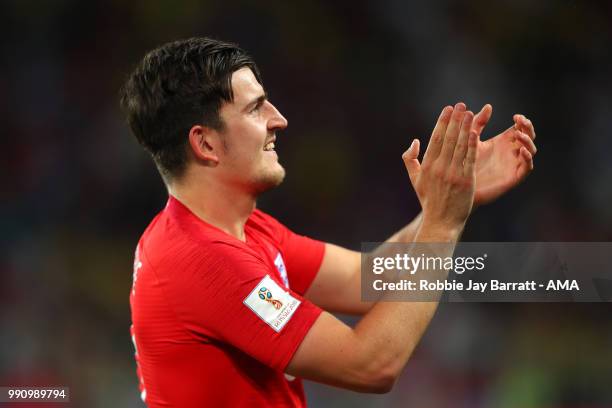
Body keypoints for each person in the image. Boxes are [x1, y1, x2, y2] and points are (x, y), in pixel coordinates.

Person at [120, 37, 537, 407]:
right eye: (255, 109)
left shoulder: (244, 231)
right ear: (205, 143)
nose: (278, 119)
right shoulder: (205, 261)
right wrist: (442, 226)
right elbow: (371, 364)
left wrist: (450, 203)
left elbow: (370, 278)